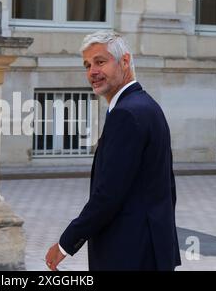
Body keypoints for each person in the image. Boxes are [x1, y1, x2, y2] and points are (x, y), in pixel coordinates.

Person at [45, 31, 181, 271]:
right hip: (151, 249)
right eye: (87, 65)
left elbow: (108, 195)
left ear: (125, 62)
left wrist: (66, 244)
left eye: (100, 62)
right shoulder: (147, 106)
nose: (92, 72)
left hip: (129, 254)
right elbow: (167, 189)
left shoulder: (126, 113)